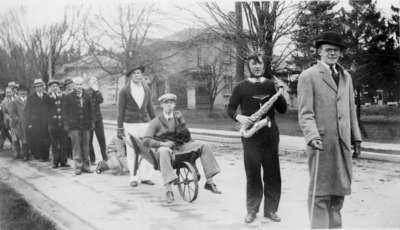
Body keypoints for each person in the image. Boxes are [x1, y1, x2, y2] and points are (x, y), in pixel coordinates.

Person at [297, 31, 362, 228]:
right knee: (320, 193)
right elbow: (305, 113)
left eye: (336, 50)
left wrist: (356, 138)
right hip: (321, 144)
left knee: (339, 191)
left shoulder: (346, 77)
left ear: (340, 53)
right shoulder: (308, 76)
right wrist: (312, 135)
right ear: (319, 52)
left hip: (342, 143)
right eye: (328, 50)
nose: (332, 53)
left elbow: (351, 109)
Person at [227, 53, 287, 224]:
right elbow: (230, 108)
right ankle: (252, 210)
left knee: (272, 173)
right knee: (252, 173)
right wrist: (239, 118)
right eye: (254, 64)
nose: (257, 67)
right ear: (249, 66)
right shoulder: (240, 87)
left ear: (264, 66)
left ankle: (271, 210)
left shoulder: (271, 85)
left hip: (269, 134)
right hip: (250, 135)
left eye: (260, 64)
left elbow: (282, 110)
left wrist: (280, 91)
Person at [143, 93, 221, 203]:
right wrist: (162, 144)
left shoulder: (178, 118)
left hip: (180, 147)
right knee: (164, 151)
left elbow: (187, 136)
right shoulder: (155, 121)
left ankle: (209, 182)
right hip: (166, 150)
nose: (169, 105)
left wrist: (182, 124)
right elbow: (145, 140)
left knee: (204, 145)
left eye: (171, 103)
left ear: (174, 105)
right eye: (166, 103)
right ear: (161, 105)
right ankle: (168, 190)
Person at [117, 65, 155, 187]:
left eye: (139, 73)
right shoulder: (124, 91)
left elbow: (150, 107)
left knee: (146, 149)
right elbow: (120, 110)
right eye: (134, 73)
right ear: (130, 76)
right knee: (132, 150)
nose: (138, 75)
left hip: (144, 123)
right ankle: (134, 177)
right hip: (130, 124)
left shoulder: (146, 88)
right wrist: (120, 128)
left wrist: (155, 123)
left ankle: (145, 177)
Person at [63, 77, 94, 175]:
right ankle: (78, 166)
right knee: (76, 147)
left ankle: (86, 166)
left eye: (80, 84)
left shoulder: (88, 96)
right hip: (74, 126)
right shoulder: (68, 97)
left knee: (86, 146)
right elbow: (65, 112)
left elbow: (91, 111)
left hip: (86, 125)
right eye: (76, 84)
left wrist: (92, 122)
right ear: (73, 85)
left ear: (83, 85)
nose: (78, 87)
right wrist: (66, 124)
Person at [46, 80, 70, 168]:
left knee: (64, 143)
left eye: (56, 86)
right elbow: (45, 111)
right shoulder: (47, 97)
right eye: (53, 86)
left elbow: (66, 109)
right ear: (50, 88)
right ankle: (55, 162)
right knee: (55, 144)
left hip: (63, 123)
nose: (55, 88)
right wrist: (52, 117)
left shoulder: (64, 96)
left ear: (59, 87)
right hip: (53, 124)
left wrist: (65, 119)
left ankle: (64, 161)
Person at [25, 79, 50, 161]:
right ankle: (39, 155)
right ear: (35, 88)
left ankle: (46, 156)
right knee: (38, 138)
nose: (39, 88)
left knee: (46, 138)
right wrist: (30, 122)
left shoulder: (47, 96)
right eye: (37, 87)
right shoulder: (31, 98)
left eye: (40, 86)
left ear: (43, 87)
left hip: (46, 121)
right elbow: (28, 111)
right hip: (36, 122)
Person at [86, 76, 107, 164]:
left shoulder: (98, 92)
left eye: (95, 81)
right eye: (92, 81)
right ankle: (92, 159)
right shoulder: (86, 92)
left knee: (101, 139)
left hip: (98, 119)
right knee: (89, 141)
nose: (94, 83)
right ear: (89, 83)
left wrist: (96, 91)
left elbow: (101, 100)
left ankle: (105, 158)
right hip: (89, 120)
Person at [9, 85, 29, 160]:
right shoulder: (15, 101)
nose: (23, 92)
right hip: (18, 123)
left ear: (26, 92)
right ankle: (20, 153)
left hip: (27, 122)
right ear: (18, 92)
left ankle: (26, 154)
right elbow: (12, 113)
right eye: (21, 91)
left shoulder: (29, 100)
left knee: (26, 138)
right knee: (18, 138)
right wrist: (16, 118)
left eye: (24, 91)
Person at [0, 87, 15, 152]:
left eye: (9, 92)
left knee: (13, 133)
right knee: (4, 132)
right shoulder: (4, 102)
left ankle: (15, 146)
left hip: (15, 120)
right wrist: (8, 117)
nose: (8, 94)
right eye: (7, 92)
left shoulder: (16, 99)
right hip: (6, 120)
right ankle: (1, 146)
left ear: (12, 92)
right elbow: (4, 112)